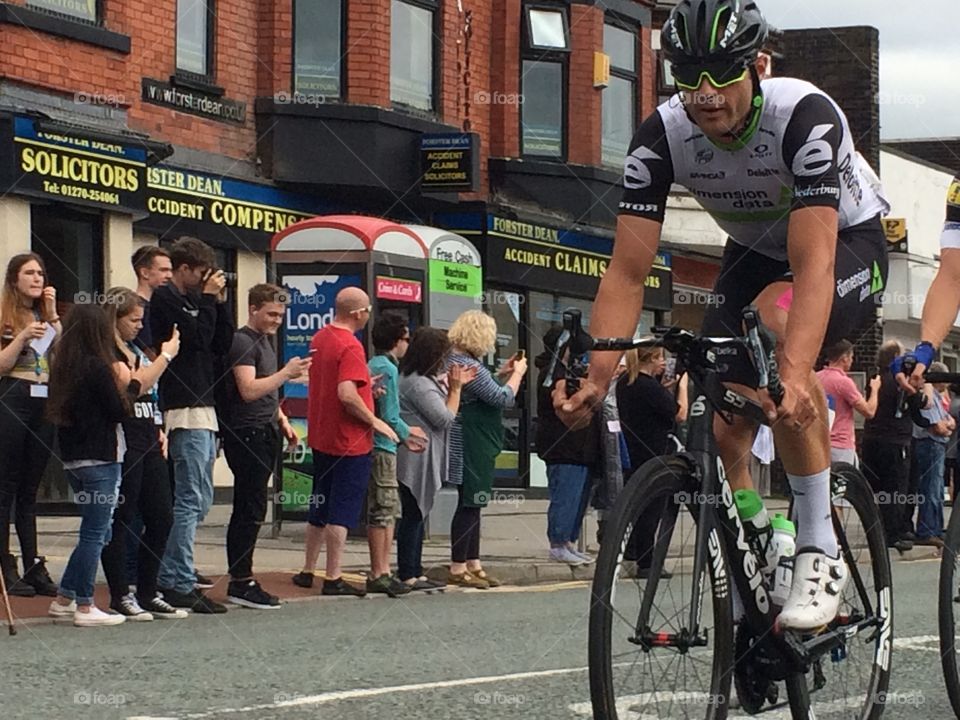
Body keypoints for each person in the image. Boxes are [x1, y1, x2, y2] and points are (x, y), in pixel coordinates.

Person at [556, 0, 892, 629]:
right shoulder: (660, 137)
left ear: (756, 66)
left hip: (846, 246)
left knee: (777, 328)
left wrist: (793, 372)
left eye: (721, 75)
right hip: (754, 251)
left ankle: (818, 545)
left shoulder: (804, 117)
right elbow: (628, 271)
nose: (705, 95)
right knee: (722, 419)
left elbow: (814, 265)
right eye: (688, 77)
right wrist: (597, 375)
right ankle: (762, 535)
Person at [292, 288, 398, 596]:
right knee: (342, 510)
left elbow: (338, 384)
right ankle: (333, 576)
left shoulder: (321, 338)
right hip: (349, 441)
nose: (368, 315)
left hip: (321, 434)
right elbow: (347, 395)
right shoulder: (351, 345)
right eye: (367, 309)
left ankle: (307, 569)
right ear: (357, 314)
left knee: (319, 503)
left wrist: (368, 389)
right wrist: (376, 421)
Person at [150, 236, 234, 613]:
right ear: (184, 269)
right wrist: (204, 302)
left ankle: (173, 573)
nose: (205, 281)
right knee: (189, 498)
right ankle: (176, 580)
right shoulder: (167, 299)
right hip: (183, 405)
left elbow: (221, 343)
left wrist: (219, 303)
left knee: (200, 498)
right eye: (200, 275)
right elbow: (196, 340)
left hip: (204, 404)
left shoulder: (199, 300)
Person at [97, 288, 186, 621]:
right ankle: (121, 594)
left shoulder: (137, 349)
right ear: (114, 319)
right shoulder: (109, 352)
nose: (138, 325)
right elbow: (136, 385)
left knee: (162, 515)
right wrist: (167, 355)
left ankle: (148, 590)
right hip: (124, 442)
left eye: (140, 319)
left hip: (149, 437)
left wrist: (160, 426)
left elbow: (153, 395)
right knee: (123, 518)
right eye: (133, 320)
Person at [221, 284, 310, 609]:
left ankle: (243, 577)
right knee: (249, 506)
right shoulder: (243, 341)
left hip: (265, 428)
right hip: (246, 433)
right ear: (253, 308)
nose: (277, 320)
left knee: (256, 506)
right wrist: (287, 373)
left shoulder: (264, 341)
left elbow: (266, 389)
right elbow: (248, 388)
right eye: (271, 313)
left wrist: (282, 418)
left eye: (281, 315)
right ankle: (240, 580)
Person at [46, 305, 132, 627]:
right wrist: (133, 385)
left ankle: (64, 596)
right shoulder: (97, 367)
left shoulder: (64, 367)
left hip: (74, 460)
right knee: (95, 533)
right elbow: (118, 411)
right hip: (101, 457)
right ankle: (85, 605)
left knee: (98, 531)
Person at [446, 310, 527, 589]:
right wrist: (516, 375)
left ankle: (473, 562)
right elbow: (501, 399)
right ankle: (459, 566)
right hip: (472, 439)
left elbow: (484, 391)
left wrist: (499, 374)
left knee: (474, 500)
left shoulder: (456, 360)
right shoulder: (469, 365)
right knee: (470, 501)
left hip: (469, 436)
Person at [396, 327, 475, 590]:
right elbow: (444, 418)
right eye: (443, 354)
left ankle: (415, 570)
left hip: (421, 453)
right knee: (414, 513)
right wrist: (456, 389)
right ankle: (408, 572)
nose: (446, 359)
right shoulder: (418, 383)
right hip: (415, 457)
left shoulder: (417, 378)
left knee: (418, 511)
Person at [0, 253, 60, 598]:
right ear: (15, 279)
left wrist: (52, 316)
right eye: (29, 273)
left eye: (40, 273)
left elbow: (63, 355)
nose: (37, 279)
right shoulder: (7, 313)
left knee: (30, 488)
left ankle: (33, 564)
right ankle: (5, 564)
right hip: (13, 395)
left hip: (43, 398)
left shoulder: (44, 316)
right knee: (5, 486)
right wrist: (21, 337)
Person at [364, 314, 427, 597]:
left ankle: (385, 570)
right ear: (395, 341)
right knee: (384, 509)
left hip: (382, 444)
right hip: (382, 445)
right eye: (406, 339)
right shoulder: (386, 369)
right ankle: (380, 571)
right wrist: (408, 433)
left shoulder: (380, 365)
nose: (408, 344)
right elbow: (389, 415)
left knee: (390, 510)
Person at [535, 326, 598, 566]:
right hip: (563, 447)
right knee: (565, 495)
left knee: (578, 497)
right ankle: (558, 543)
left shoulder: (570, 371)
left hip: (579, 448)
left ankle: (569, 541)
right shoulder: (552, 374)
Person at [617, 347, 679, 577]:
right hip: (655, 450)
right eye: (661, 357)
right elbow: (676, 413)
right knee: (653, 508)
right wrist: (680, 389)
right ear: (652, 358)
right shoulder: (649, 386)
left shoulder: (625, 383)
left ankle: (631, 553)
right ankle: (647, 561)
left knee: (636, 505)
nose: (664, 363)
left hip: (632, 450)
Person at [861, 341, 928, 552]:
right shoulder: (902, 383)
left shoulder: (875, 378)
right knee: (896, 489)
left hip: (872, 439)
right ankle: (893, 533)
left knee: (876, 487)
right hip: (896, 441)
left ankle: (876, 529)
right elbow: (923, 403)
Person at [815, 339, 881, 468]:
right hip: (841, 445)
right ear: (844, 358)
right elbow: (869, 412)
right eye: (851, 357)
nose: (852, 361)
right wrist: (875, 389)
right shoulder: (844, 382)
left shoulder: (816, 378)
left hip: (818, 443)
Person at [910, 362, 954, 548]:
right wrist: (947, 427)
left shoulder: (936, 397)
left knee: (936, 489)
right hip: (929, 444)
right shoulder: (927, 396)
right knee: (930, 488)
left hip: (936, 445)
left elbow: (950, 421)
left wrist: (947, 426)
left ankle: (935, 529)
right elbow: (937, 426)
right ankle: (927, 530)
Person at [131, 246, 173, 350]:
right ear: (144, 273)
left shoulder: (160, 304)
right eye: (163, 270)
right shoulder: (135, 307)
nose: (169, 275)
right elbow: (146, 349)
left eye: (170, 270)